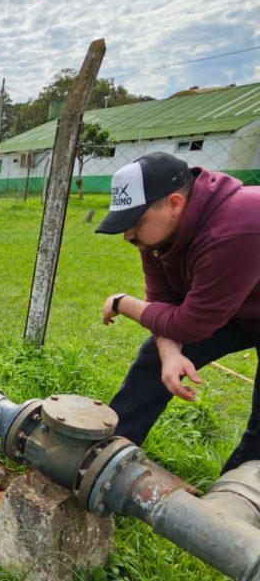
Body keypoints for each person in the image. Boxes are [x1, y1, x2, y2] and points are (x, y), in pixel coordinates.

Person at [96, 151, 260, 473]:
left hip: (238, 300)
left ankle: (228, 512)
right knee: (154, 359)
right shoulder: (158, 236)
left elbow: (190, 323)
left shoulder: (233, 229)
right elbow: (163, 304)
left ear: (173, 204)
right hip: (242, 305)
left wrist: (121, 302)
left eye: (136, 222)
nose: (128, 235)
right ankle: (103, 463)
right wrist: (169, 351)